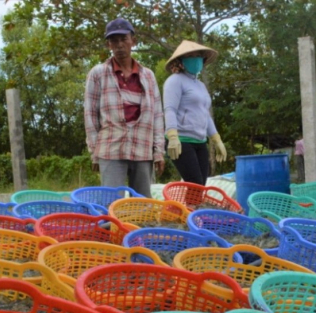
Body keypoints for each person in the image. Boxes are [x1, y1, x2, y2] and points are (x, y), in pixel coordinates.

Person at [84, 18, 165, 197]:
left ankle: (142, 227)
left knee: (143, 206)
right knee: (111, 205)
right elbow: (90, 116)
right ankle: (112, 226)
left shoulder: (148, 76)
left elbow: (157, 116)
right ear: (108, 45)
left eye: (123, 39)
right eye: (114, 41)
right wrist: (94, 152)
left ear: (133, 41)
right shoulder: (98, 74)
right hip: (111, 148)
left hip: (142, 149)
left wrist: (158, 151)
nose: (119, 45)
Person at [163, 40, 226, 185]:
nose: (195, 58)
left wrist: (216, 139)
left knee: (200, 186)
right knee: (195, 183)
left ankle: (191, 208)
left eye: (198, 55)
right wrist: (172, 136)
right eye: (191, 56)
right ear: (181, 61)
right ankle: (190, 208)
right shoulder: (175, 81)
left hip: (200, 141)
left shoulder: (201, 86)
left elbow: (205, 114)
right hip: (182, 141)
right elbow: (170, 109)